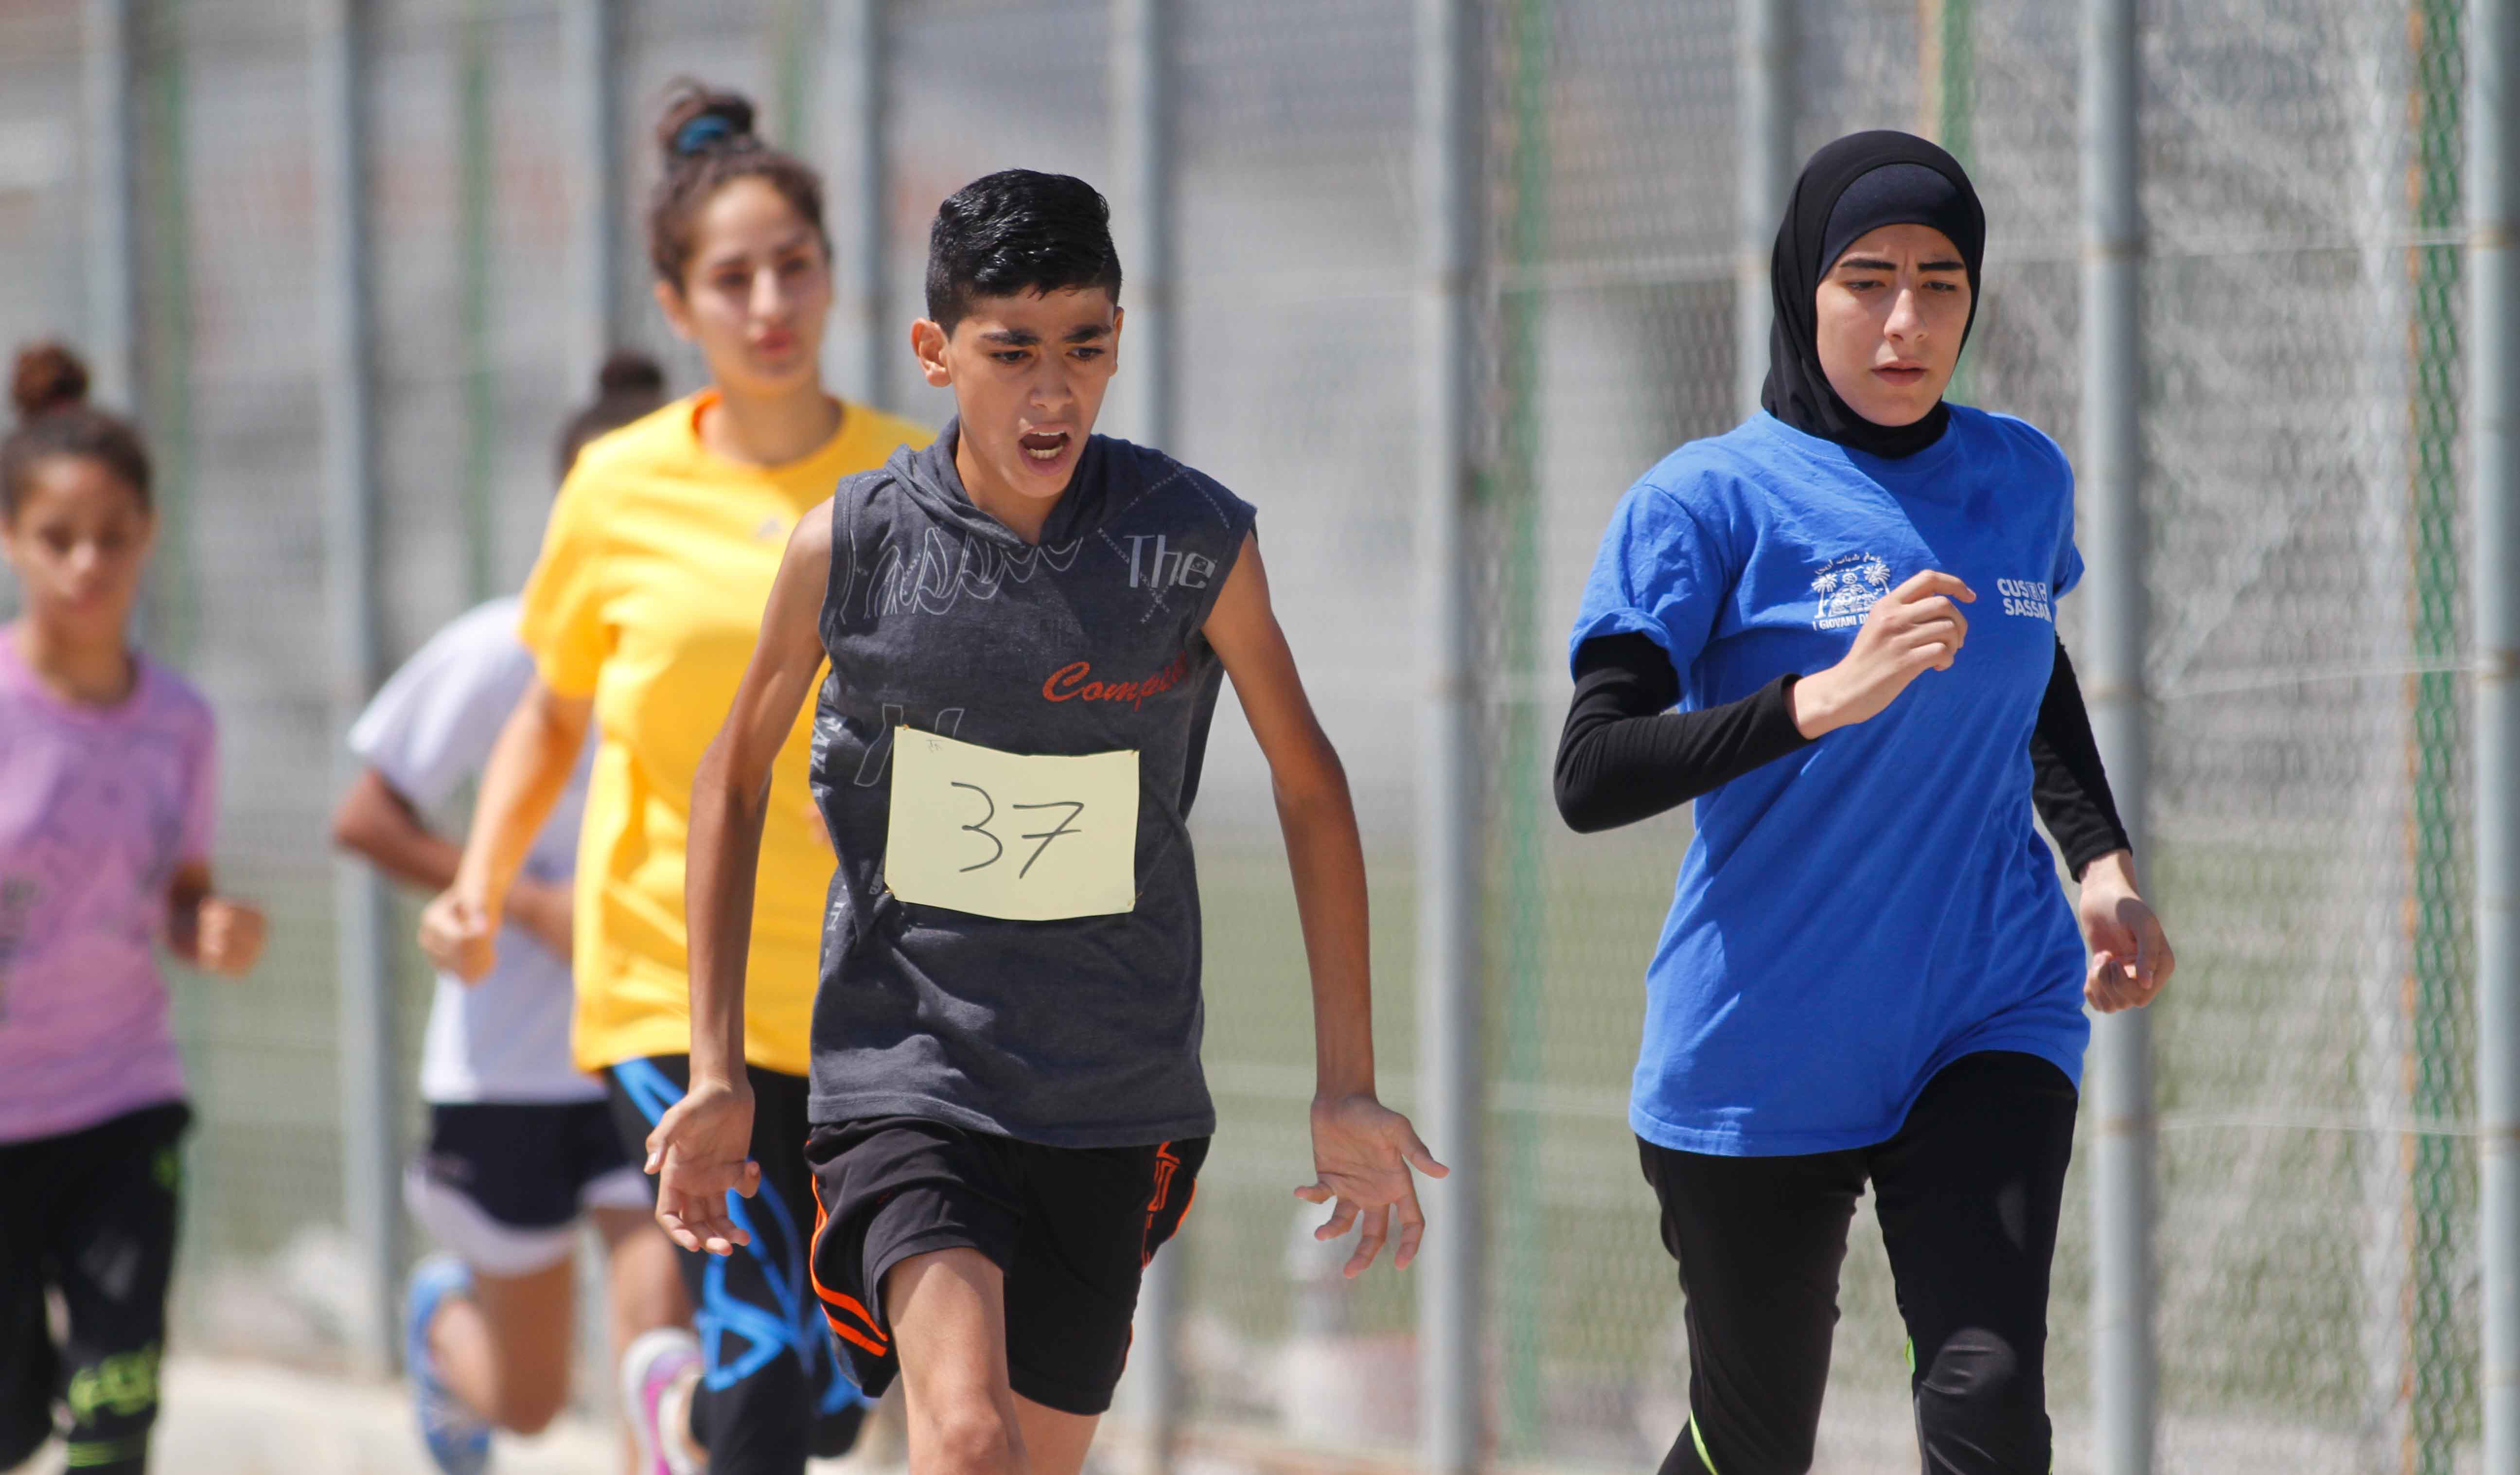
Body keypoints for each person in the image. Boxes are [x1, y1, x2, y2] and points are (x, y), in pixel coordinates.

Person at [645, 168, 1445, 1475]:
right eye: (1011, 351)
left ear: (1121, 339)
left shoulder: (1190, 543)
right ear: (937, 352)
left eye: (1083, 345)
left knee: (1024, 1458)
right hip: (907, 1071)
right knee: (965, 1438)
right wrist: (718, 1068)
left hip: (1111, 1090)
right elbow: (729, 782)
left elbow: (1310, 784)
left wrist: (1346, 1080)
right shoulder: (851, 546)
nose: (1053, 390)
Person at [1553, 132, 2176, 1475]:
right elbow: (1590, 772)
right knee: (1752, 1447)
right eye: (1868, 280)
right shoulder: (1707, 501)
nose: (1907, 322)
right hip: (1765, 1039)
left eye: (1941, 283)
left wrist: (2101, 861)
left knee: (1988, 1396)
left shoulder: (2020, 477)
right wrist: (1819, 700)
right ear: (1803, 288)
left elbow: (2029, 672)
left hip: (1988, 1002)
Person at [418, 81, 930, 1475]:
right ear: (677, 302)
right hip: (667, 975)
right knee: (762, 1358)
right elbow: (552, 713)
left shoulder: (910, 477)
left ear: (832, 273)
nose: (769, 303)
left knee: (836, 1389)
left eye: (794, 266)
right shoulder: (618, 486)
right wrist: (477, 881)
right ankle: (700, 1404)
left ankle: (664, 1405)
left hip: (865, 984)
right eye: (731, 278)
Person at [333, 352, 687, 1475]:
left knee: (659, 1346)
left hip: (648, 1046)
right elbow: (365, 816)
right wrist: (526, 904)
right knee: (529, 1405)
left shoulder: (708, 649)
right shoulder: (502, 650)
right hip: (505, 1068)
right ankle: (445, 1324)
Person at [0, 342, 267, 1475]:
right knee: (13, 1426)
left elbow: (181, 889)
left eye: (113, 536)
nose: (87, 563)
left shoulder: (180, 721)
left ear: (149, 533)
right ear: (11, 539)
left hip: (122, 1096)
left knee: (115, 1405)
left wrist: (211, 926)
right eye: (57, 537)